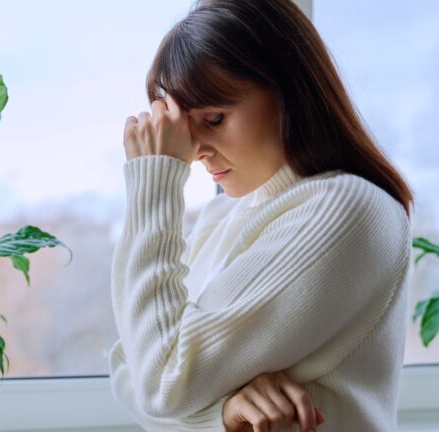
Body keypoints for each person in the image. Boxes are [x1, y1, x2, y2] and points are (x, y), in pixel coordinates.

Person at [106, 0, 414, 431]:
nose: (196, 152)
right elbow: (129, 370)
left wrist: (153, 181)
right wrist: (221, 414)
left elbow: (159, 384)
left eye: (214, 118)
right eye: (186, 130)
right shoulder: (221, 217)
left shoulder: (347, 208)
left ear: (289, 91)